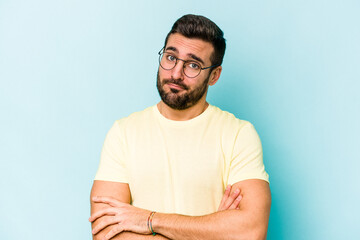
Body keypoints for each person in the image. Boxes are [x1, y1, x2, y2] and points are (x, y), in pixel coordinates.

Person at [89, 14, 271, 240]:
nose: (176, 73)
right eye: (171, 57)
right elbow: (105, 233)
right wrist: (212, 231)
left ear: (214, 75)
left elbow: (250, 231)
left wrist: (149, 220)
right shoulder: (123, 133)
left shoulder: (238, 134)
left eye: (193, 65)